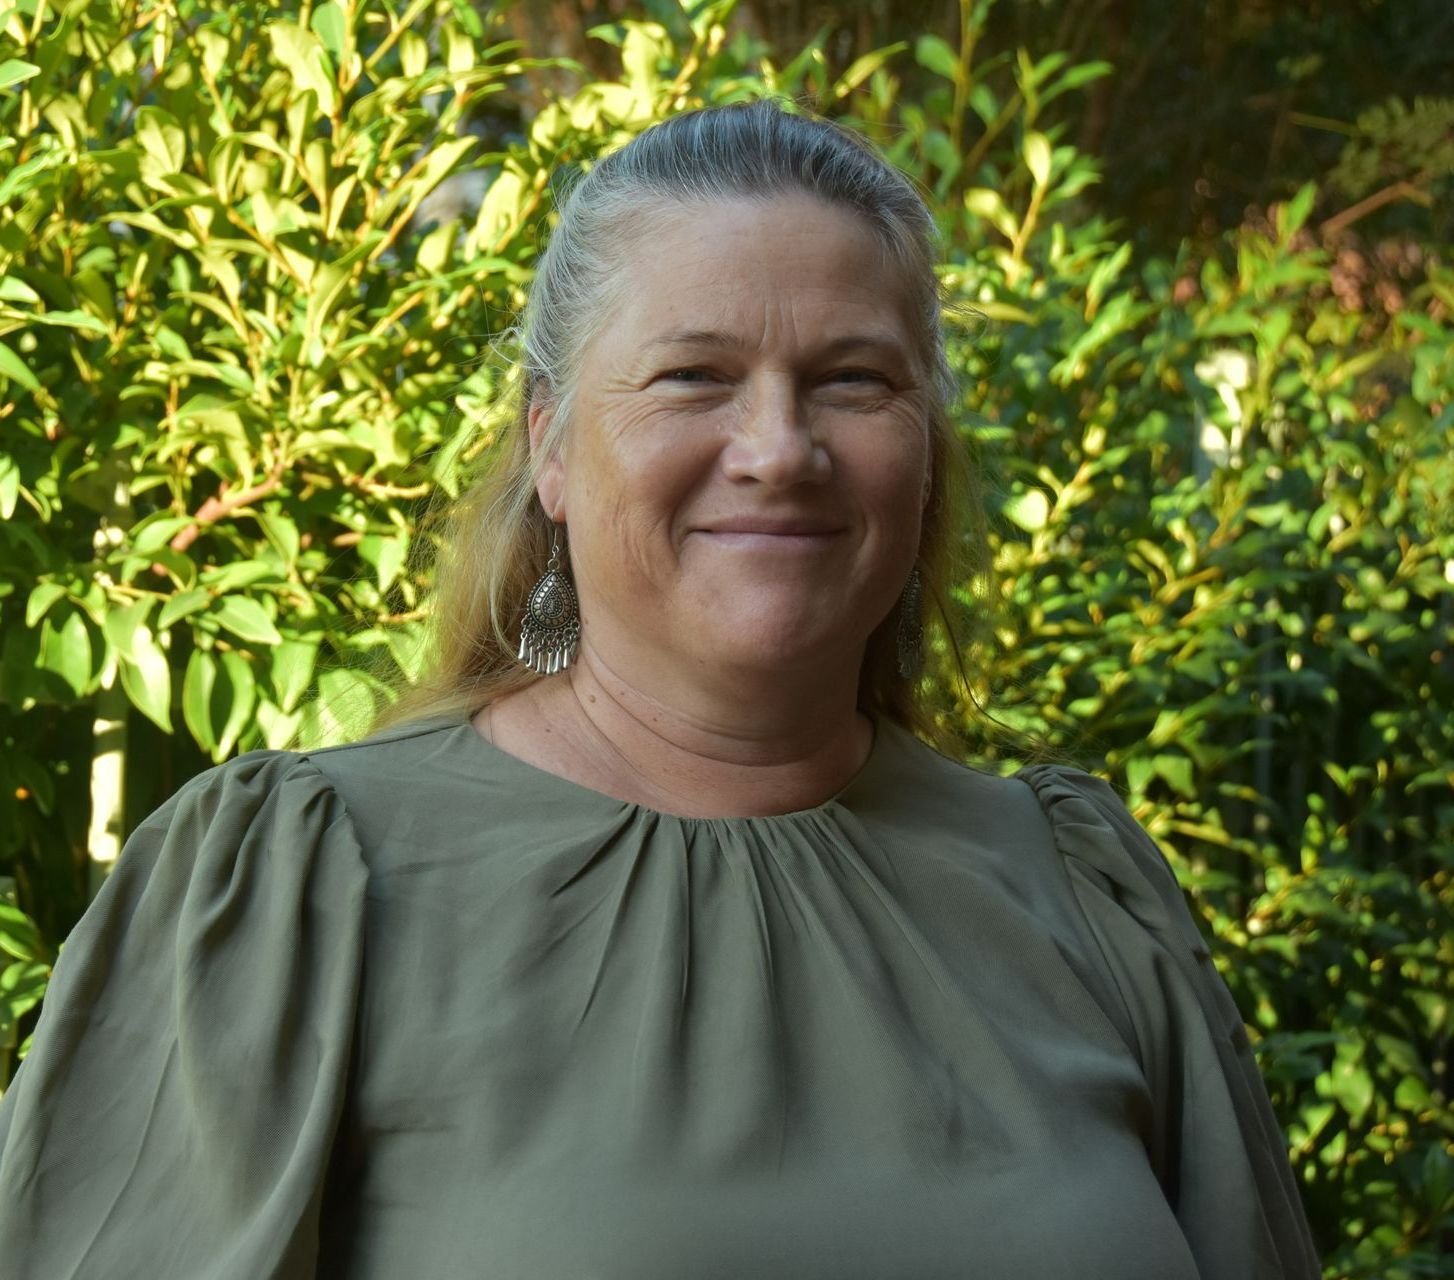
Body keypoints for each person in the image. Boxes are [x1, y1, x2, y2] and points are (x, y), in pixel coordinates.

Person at [0, 100, 1320, 1279]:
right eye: (693, 376)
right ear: (551, 448)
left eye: (852, 382)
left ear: (923, 451)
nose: (778, 450)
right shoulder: (304, 890)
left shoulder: (1079, 889)